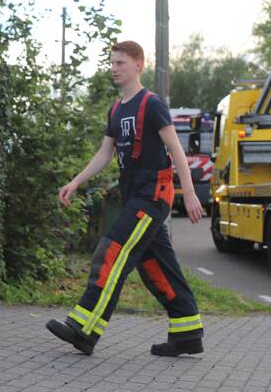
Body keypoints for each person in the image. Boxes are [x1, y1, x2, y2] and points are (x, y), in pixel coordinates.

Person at [46, 40, 205, 357]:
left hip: (153, 195)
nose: (113, 68)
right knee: (156, 265)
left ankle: (85, 328)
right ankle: (187, 333)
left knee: (113, 251)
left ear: (138, 65)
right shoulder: (117, 109)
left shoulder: (152, 104)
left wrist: (188, 193)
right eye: (112, 62)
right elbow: (105, 153)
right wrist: (75, 181)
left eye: (120, 63)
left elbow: (175, 149)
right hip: (136, 195)